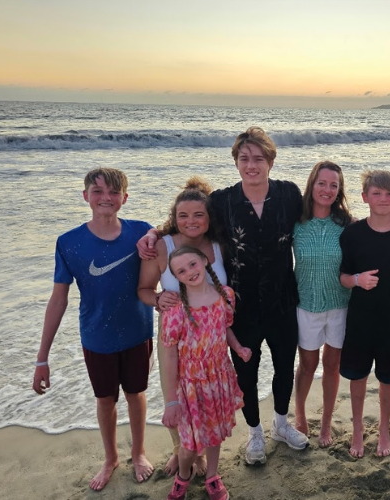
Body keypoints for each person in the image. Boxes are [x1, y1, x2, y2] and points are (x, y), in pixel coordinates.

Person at [139, 127, 308, 465]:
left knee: (284, 367)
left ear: (271, 161)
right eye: (244, 158)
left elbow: (320, 214)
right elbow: (188, 222)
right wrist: (153, 232)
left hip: (282, 300)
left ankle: (281, 423)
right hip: (239, 307)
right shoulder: (222, 201)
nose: (252, 165)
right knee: (246, 368)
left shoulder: (289, 194)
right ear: (235, 162)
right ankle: (255, 433)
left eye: (259, 158)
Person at [32, 168, 154, 491]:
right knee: (105, 400)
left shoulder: (141, 233)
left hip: (138, 333)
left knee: (136, 394)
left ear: (124, 199)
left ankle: (139, 452)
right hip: (97, 337)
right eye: (97, 191)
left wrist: (157, 236)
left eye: (114, 192)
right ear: (85, 196)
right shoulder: (69, 243)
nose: (105, 198)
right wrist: (41, 358)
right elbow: (58, 300)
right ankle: (111, 457)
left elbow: (177, 242)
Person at [137, 176, 228, 476]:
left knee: (205, 399)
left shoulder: (218, 244)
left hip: (213, 340)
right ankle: (183, 451)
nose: (191, 221)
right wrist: (157, 299)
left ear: (209, 218)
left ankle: (195, 450)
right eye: (183, 216)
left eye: (198, 215)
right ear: (174, 218)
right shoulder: (161, 245)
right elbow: (144, 289)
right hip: (175, 337)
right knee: (175, 396)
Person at [339, 170, 390, 458]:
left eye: (389, 194)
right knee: (357, 375)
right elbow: (343, 277)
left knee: (388, 378)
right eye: (376, 193)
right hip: (361, 319)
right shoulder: (353, 234)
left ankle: (384, 428)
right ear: (365, 197)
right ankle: (358, 429)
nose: (383, 199)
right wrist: (357, 280)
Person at [161, 246, 251, 500]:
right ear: (176, 278)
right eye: (181, 270)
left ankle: (212, 475)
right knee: (189, 444)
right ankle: (184, 474)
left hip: (219, 377)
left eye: (192, 264)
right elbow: (168, 358)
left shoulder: (225, 296)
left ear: (204, 261)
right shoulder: (176, 311)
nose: (189, 272)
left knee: (215, 433)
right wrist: (171, 401)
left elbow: (225, 330)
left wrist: (238, 348)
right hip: (190, 385)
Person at [292, 160, 353, 447]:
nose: (327, 189)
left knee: (332, 364)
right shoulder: (296, 222)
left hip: (340, 304)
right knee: (307, 364)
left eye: (333, 185)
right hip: (305, 304)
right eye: (322, 183)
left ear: (339, 191)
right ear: (311, 184)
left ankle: (326, 423)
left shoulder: (346, 224)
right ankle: (300, 415)